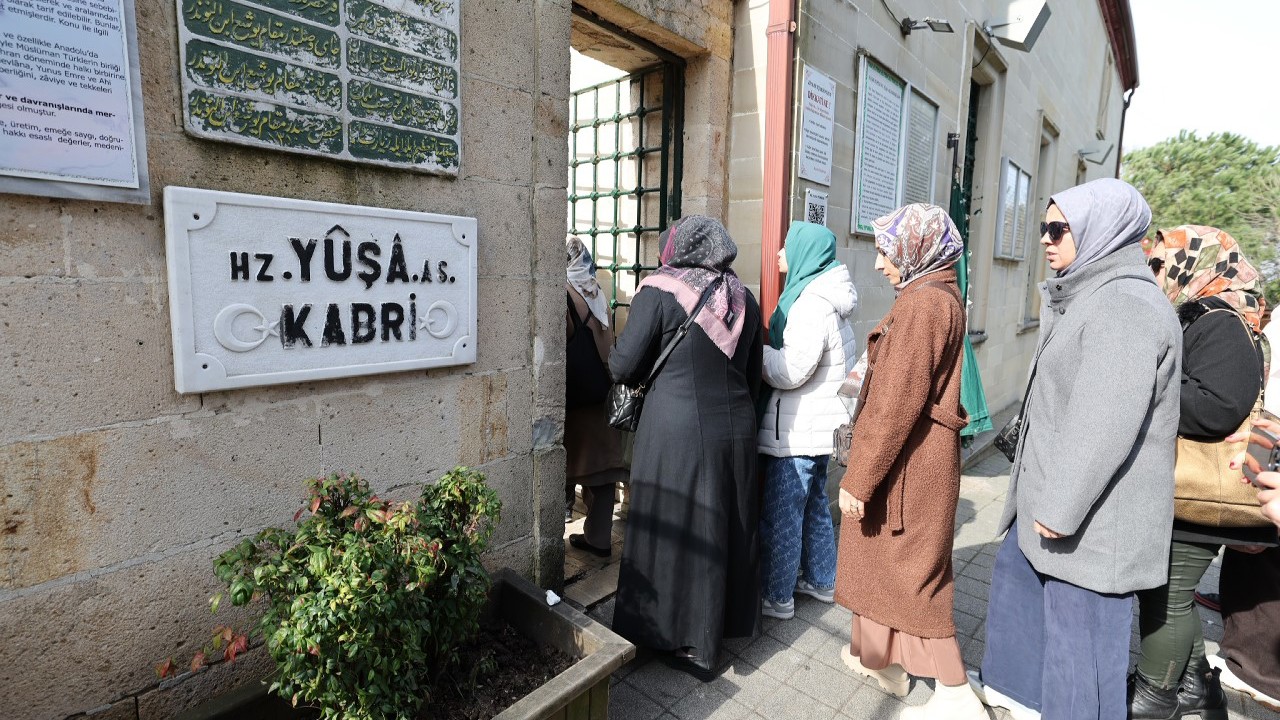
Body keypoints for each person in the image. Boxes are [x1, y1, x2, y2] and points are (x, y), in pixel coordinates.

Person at [972, 178, 1182, 720]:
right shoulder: (1091, 293)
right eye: (1045, 227)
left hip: (1087, 532)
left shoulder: (1123, 305)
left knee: (1079, 676)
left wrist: (1060, 507)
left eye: (1058, 229)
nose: (1046, 239)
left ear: (1100, 232)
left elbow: (1103, 422)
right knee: (1041, 659)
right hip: (1058, 522)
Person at [833, 203, 983, 719]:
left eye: (884, 250)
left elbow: (896, 401)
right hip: (913, 463)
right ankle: (880, 662)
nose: (878, 264)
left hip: (909, 468)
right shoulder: (932, 296)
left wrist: (860, 477)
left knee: (917, 578)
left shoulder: (923, 305)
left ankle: (957, 695)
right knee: (883, 565)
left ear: (916, 249)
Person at [608, 215, 764, 681]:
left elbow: (623, 364)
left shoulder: (661, 289)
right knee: (720, 529)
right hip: (735, 430)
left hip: (675, 434)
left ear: (677, 247)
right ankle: (711, 636)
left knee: (672, 527)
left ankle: (673, 636)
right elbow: (754, 371)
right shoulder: (742, 297)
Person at [1129, 226, 1276, 719]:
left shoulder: (1219, 320)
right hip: (1196, 490)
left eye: (1160, 263)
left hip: (1204, 492)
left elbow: (1219, 406)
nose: (1154, 273)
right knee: (1170, 592)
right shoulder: (1205, 314)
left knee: (1168, 593)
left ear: (1191, 265)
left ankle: (1155, 694)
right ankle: (1198, 688)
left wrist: (1148, 386)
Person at [757, 222, 858, 620]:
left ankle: (777, 596)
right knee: (815, 504)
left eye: (786, 246)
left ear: (804, 254)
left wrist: (759, 353)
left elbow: (791, 370)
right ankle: (821, 579)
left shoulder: (811, 303)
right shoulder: (828, 297)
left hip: (799, 431)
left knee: (783, 512)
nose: (780, 254)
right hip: (820, 428)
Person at [563, 237, 629, 557]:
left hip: (578, 396)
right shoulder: (596, 291)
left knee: (565, 463)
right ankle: (599, 538)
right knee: (601, 471)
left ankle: (558, 528)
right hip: (604, 388)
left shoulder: (564, 294)